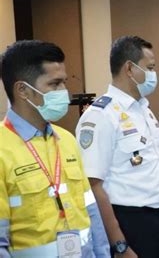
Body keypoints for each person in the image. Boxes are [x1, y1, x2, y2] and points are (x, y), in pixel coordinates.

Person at [0, 40, 109, 257]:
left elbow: (91, 212)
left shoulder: (66, 140)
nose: (65, 93)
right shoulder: (3, 149)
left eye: (64, 83)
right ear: (22, 90)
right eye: (55, 84)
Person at [76, 36, 159, 257]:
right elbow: (93, 185)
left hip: (157, 219)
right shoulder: (101, 115)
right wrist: (119, 244)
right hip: (128, 223)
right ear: (129, 68)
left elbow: (155, 169)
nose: (153, 74)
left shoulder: (143, 109)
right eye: (150, 68)